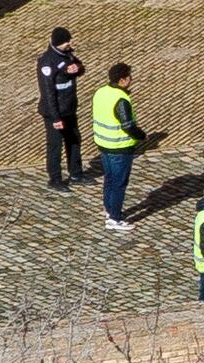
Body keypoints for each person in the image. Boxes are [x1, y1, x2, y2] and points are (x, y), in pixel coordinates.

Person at [86, 60, 145, 231]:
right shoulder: (121, 99)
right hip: (119, 147)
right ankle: (115, 218)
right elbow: (127, 125)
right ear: (122, 80)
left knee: (109, 179)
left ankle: (109, 208)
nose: (131, 80)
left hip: (103, 144)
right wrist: (141, 135)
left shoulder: (101, 92)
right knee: (119, 183)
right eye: (129, 77)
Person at [36, 25, 87, 189]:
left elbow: (80, 67)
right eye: (66, 41)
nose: (69, 43)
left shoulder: (68, 54)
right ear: (58, 43)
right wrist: (55, 117)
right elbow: (48, 92)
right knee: (55, 145)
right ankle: (55, 178)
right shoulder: (47, 62)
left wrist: (76, 69)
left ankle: (76, 173)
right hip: (55, 112)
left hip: (69, 109)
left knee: (74, 140)